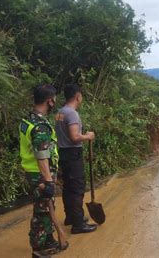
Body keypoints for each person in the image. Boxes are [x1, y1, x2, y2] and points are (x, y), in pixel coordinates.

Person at [18, 84, 68, 256]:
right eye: (54, 99)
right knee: (42, 211)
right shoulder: (40, 126)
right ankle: (39, 247)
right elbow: (41, 155)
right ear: (50, 101)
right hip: (40, 175)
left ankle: (48, 239)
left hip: (34, 172)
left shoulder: (28, 120)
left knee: (47, 207)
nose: (54, 102)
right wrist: (47, 181)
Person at [55, 84, 97, 234]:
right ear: (77, 96)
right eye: (81, 96)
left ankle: (71, 217)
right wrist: (88, 136)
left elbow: (63, 133)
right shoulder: (72, 114)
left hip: (63, 153)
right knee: (78, 188)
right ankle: (78, 224)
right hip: (73, 154)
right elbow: (74, 137)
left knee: (68, 186)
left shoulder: (60, 112)